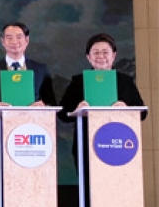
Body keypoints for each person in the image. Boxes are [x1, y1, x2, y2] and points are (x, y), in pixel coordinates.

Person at [59, 33, 148, 166]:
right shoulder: (78, 82)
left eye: (105, 52)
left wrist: (127, 108)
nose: (101, 56)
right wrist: (77, 109)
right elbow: (62, 114)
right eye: (96, 52)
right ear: (88, 57)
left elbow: (143, 113)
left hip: (120, 144)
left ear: (114, 55)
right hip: (86, 146)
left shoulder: (126, 81)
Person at [0, 22, 56, 158]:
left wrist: (44, 106)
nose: (14, 41)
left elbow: (52, 103)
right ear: (2, 41)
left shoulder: (40, 69)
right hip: (2, 134)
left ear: (27, 40)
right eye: (9, 37)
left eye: (19, 37)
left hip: (35, 136)